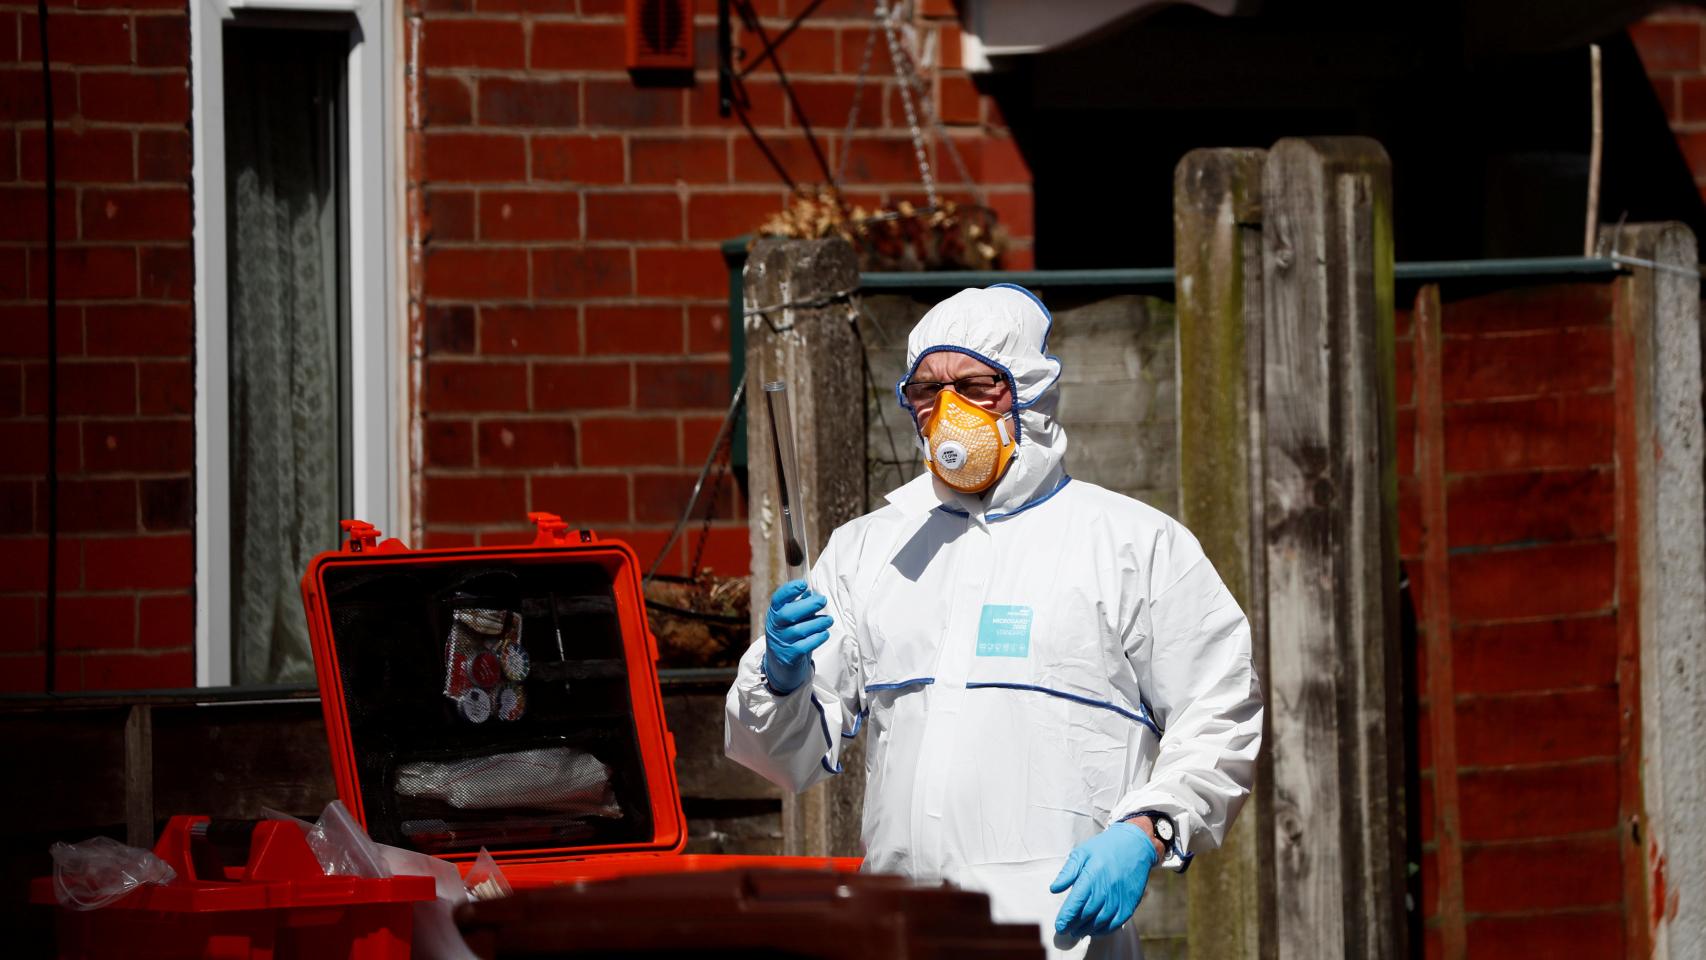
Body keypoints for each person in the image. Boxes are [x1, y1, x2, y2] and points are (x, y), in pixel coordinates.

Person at [725, 284, 1262, 960]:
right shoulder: (869, 551)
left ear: (1030, 393)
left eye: (977, 387)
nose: (949, 410)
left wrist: (1150, 828)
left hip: (1059, 937)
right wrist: (778, 680)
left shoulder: (1134, 545)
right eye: (927, 390)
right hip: (898, 933)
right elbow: (785, 759)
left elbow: (1220, 711)